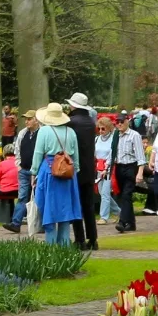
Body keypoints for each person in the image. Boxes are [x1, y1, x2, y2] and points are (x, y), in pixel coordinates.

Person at [28, 104, 82, 246]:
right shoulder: (71, 132)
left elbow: (38, 154)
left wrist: (33, 173)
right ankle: (64, 246)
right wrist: (73, 171)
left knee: (49, 209)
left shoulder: (44, 131)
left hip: (49, 170)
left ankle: (51, 246)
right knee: (65, 210)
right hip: (67, 171)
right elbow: (75, 156)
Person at [65, 93, 99, 250]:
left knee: (75, 204)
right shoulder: (90, 122)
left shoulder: (72, 122)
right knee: (88, 206)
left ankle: (79, 239)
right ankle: (93, 239)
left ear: (73, 106)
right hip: (89, 168)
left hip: (76, 168)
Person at [2, 113, 42, 234]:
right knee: (22, 197)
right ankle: (16, 223)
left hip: (38, 171)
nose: (26, 122)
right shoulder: (22, 133)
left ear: (36, 120)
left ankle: (42, 224)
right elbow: (17, 149)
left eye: (29, 119)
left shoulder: (42, 133)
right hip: (24, 170)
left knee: (40, 197)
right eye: (25, 119)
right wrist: (18, 165)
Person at [109, 114, 145, 233]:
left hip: (130, 167)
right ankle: (131, 223)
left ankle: (122, 221)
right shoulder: (115, 135)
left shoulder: (134, 135)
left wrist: (139, 173)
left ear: (127, 122)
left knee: (126, 194)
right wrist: (108, 168)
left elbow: (140, 156)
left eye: (121, 121)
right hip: (119, 167)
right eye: (117, 122)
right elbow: (113, 152)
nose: (119, 124)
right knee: (123, 197)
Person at [93, 118, 119, 225]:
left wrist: (106, 168)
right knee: (101, 192)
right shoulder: (97, 139)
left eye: (103, 129)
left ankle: (104, 217)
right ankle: (119, 212)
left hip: (109, 168)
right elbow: (94, 153)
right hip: (99, 167)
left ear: (109, 128)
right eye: (99, 128)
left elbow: (112, 154)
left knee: (105, 193)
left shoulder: (113, 139)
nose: (100, 131)